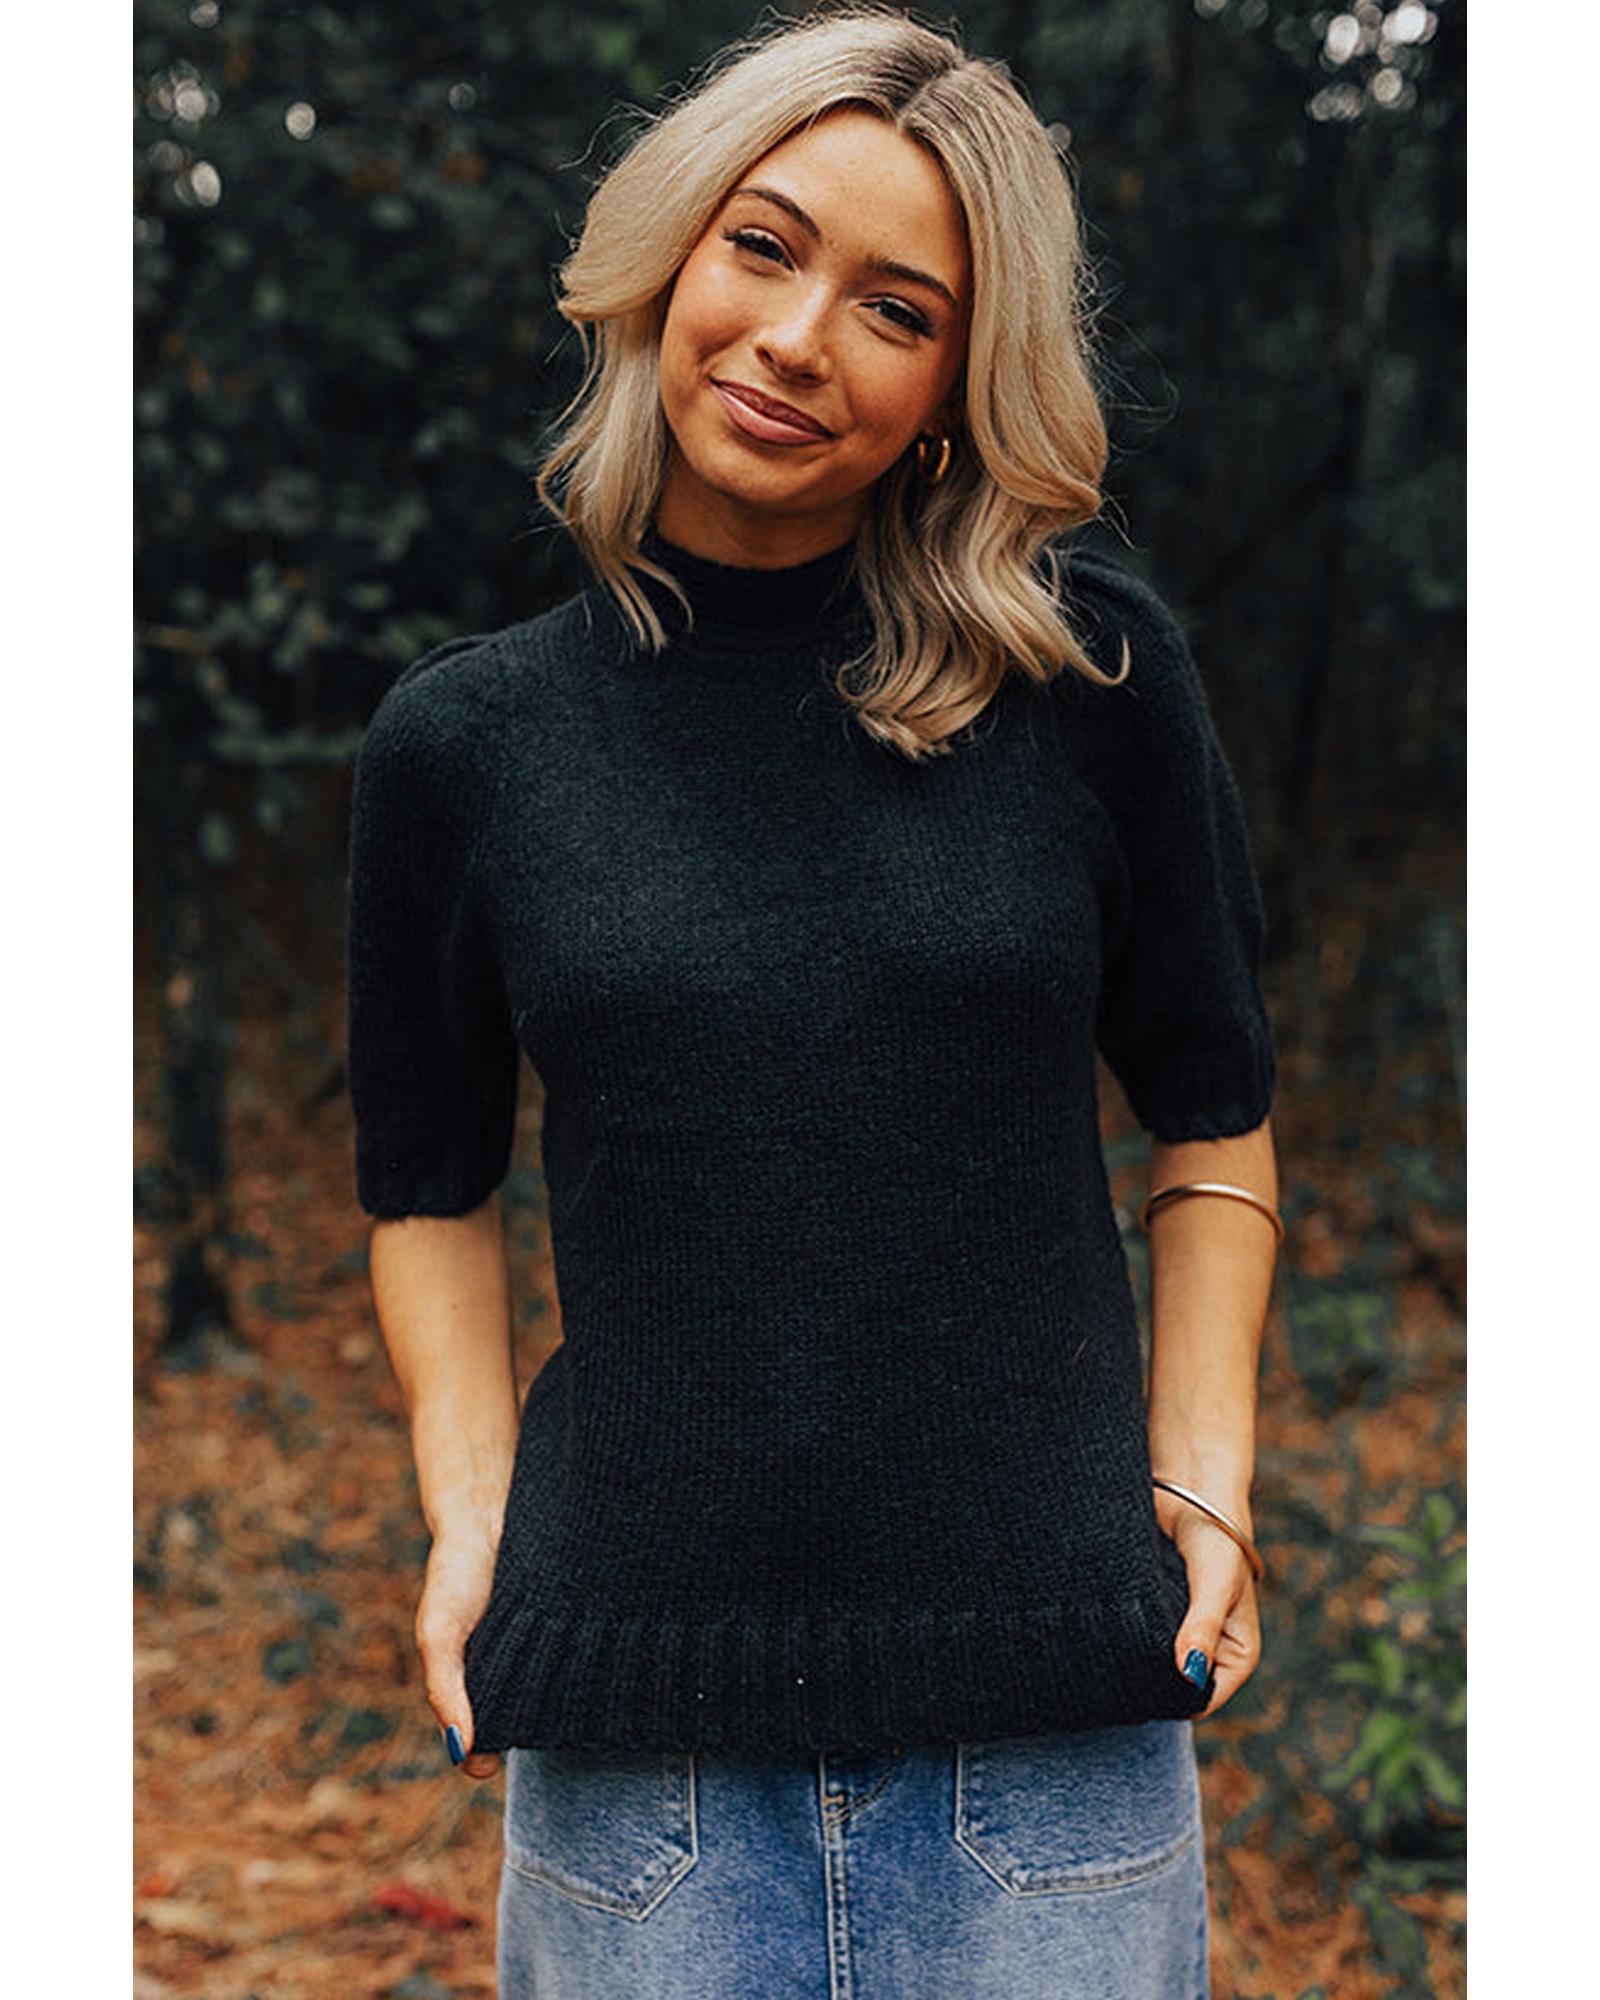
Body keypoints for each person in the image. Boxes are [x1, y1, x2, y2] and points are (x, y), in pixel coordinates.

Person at [344, 8, 1282, 1995]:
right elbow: (425, 1181)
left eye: (895, 306)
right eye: (763, 246)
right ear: (668, 255)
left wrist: (1201, 1469)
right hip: (640, 1766)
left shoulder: (1087, 681)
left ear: (956, 381)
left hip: (1051, 1747)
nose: (794, 337)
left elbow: (1213, 1104)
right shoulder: (469, 745)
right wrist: (472, 1515)